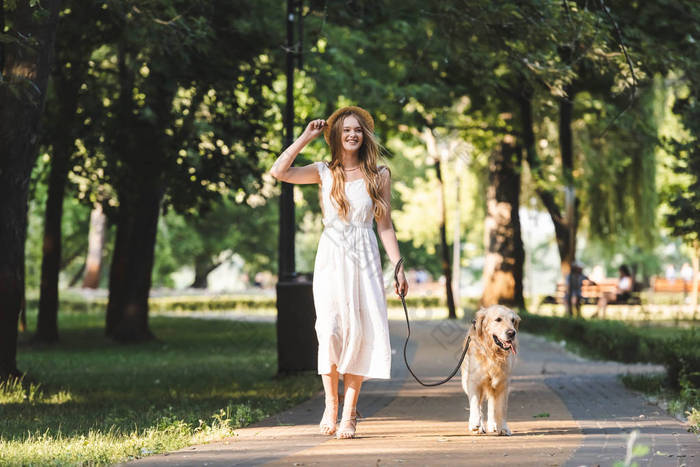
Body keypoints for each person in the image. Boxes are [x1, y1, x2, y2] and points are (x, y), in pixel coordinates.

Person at [269, 106, 408, 439]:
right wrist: (305, 137)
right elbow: (279, 172)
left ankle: (349, 413)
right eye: (346, 130)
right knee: (329, 331)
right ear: (336, 135)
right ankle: (331, 404)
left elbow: (385, 226)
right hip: (332, 257)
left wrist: (398, 267)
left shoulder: (379, 175)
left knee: (358, 332)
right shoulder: (323, 171)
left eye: (357, 130)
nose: (352, 135)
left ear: (365, 136)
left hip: (365, 257)